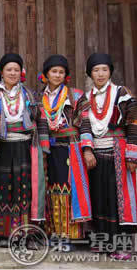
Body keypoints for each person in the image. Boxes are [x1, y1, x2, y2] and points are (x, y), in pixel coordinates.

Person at [85, 53, 137, 260]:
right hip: (97, 155)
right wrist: (87, 150)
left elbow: (134, 123)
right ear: (90, 74)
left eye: (104, 70)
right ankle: (102, 242)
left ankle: (122, 246)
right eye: (95, 70)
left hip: (119, 153)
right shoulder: (86, 98)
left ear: (110, 71)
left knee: (119, 200)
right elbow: (84, 124)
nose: (100, 74)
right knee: (99, 198)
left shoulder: (122, 94)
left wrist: (133, 156)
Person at [0, 53, 45, 248]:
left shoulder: (29, 94)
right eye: (8, 69)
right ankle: (6, 233)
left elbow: (40, 119)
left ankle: (28, 235)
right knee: (3, 190)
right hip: (2, 148)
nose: (12, 73)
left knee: (25, 190)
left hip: (25, 146)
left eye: (16, 70)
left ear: (21, 72)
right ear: (1, 72)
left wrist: (43, 148)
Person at [36, 55, 95, 250]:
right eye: (54, 71)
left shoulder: (76, 96)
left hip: (71, 149)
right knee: (50, 191)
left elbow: (85, 122)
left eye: (61, 72)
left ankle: (69, 236)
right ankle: (53, 234)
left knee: (68, 191)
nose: (57, 75)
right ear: (46, 74)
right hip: (48, 150)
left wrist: (87, 149)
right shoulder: (39, 98)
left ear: (66, 75)